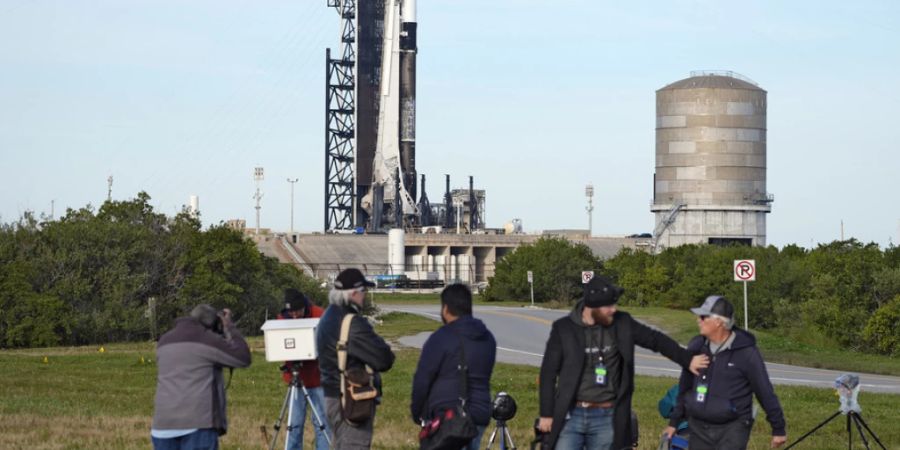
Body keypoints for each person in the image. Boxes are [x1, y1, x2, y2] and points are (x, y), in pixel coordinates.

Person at [537, 275, 709, 450]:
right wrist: (546, 413)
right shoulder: (564, 329)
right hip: (571, 414)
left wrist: (688, 360)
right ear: (592, 306)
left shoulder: (622, 323)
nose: (613, 309)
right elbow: (548, 373)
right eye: (608, 306)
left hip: (607, 415)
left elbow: (655, 340)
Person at [663, 295, 787, 450]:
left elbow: (764, 390)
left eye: (703, 317)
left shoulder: (746, 353)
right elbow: (684, 387)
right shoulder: (696, 346)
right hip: (699, 427)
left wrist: (778, 428)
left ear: (719, 322)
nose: (698, 320)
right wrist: (674, 423)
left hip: (733, 427)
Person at [151, 304, 252, 450]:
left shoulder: (164, 341)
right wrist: (229, 327)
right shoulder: (207, 339)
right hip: (197, 423)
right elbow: (242, 358)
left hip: (162, 425)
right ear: (212, 324)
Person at [316, 268, 395, 449]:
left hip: (330, 394)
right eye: (363, 292)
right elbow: (384, 359)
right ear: (353, 293)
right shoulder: (352, 322)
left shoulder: (327, 317)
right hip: (350, 400)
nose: (365, 296)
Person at [411, 284, 497, 450]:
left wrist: (418, 412)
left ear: (446, 309)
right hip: (479, 413)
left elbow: (423, 379)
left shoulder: (442, 338)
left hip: (449, 414)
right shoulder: (487, 338)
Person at [277, 288, 330, 450]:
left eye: (297, 312)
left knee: (322, 422)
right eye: (290, 312)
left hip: (318, 377)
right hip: (295, 379)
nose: (294, 316)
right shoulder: (282, 319)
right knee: (294, 424)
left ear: (304, 307)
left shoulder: (319, 315)